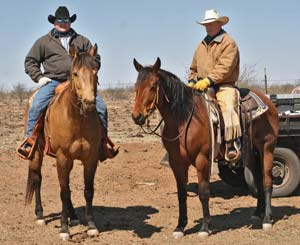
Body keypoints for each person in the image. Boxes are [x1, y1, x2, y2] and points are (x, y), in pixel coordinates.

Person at [17, 6, 119, 161]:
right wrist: (39, 77)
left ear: (70, 22)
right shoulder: (43, 42)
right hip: (54, 81)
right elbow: (30, 61)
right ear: (54, 22)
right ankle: (30, 141)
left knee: (101, 107)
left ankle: (102, 143)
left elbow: (95, 58)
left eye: (66, 20)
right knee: (37, 105)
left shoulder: (82, 41)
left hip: (80, 83)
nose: (63, 23)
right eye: (60, 21)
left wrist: (90, 68)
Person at [188, 9, 241, 161]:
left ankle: (231, 143)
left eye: (211, 24)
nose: (208, 27)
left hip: (224, 86)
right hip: (202, 87)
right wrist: (192, 80)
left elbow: (225, 67)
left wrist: (208, 80)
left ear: (219, 24)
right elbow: (193, 68)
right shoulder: (201, 45)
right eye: (206, 25)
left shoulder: (229, 43)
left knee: (228, 107)